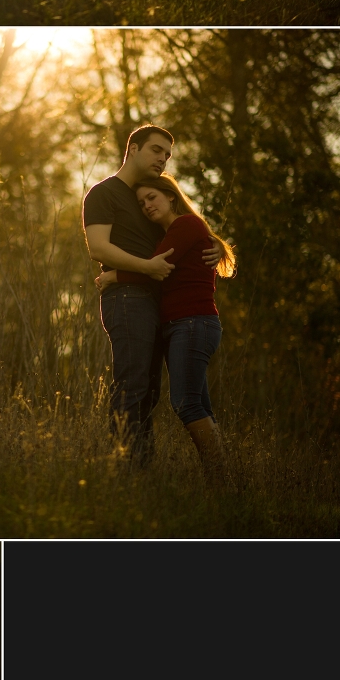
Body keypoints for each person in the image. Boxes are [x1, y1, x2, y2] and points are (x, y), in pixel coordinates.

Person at [82, 124, 225, 465]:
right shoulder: (103, 193)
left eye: (167, 155)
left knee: (149, 390)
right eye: (156, 150)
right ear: (133, 148)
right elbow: (98, 248)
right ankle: (125, 468)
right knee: (132, 384)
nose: (163, 159)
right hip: (126, 298)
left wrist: (215, 245)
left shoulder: (148, 199)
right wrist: (144, 269)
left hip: (159, 304)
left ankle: (142, 468)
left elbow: (180, 233)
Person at [95, 173, 236, 482]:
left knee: (185, 403)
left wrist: (113, 276)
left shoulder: (185, 225)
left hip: (193, 323)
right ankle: (221, 481)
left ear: (171, 195)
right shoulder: (172, 233)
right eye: (141, 202)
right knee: (198, 404)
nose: (147, 206)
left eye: (152, 198)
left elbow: (155, 268)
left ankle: (219, 477)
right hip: (181, 326)